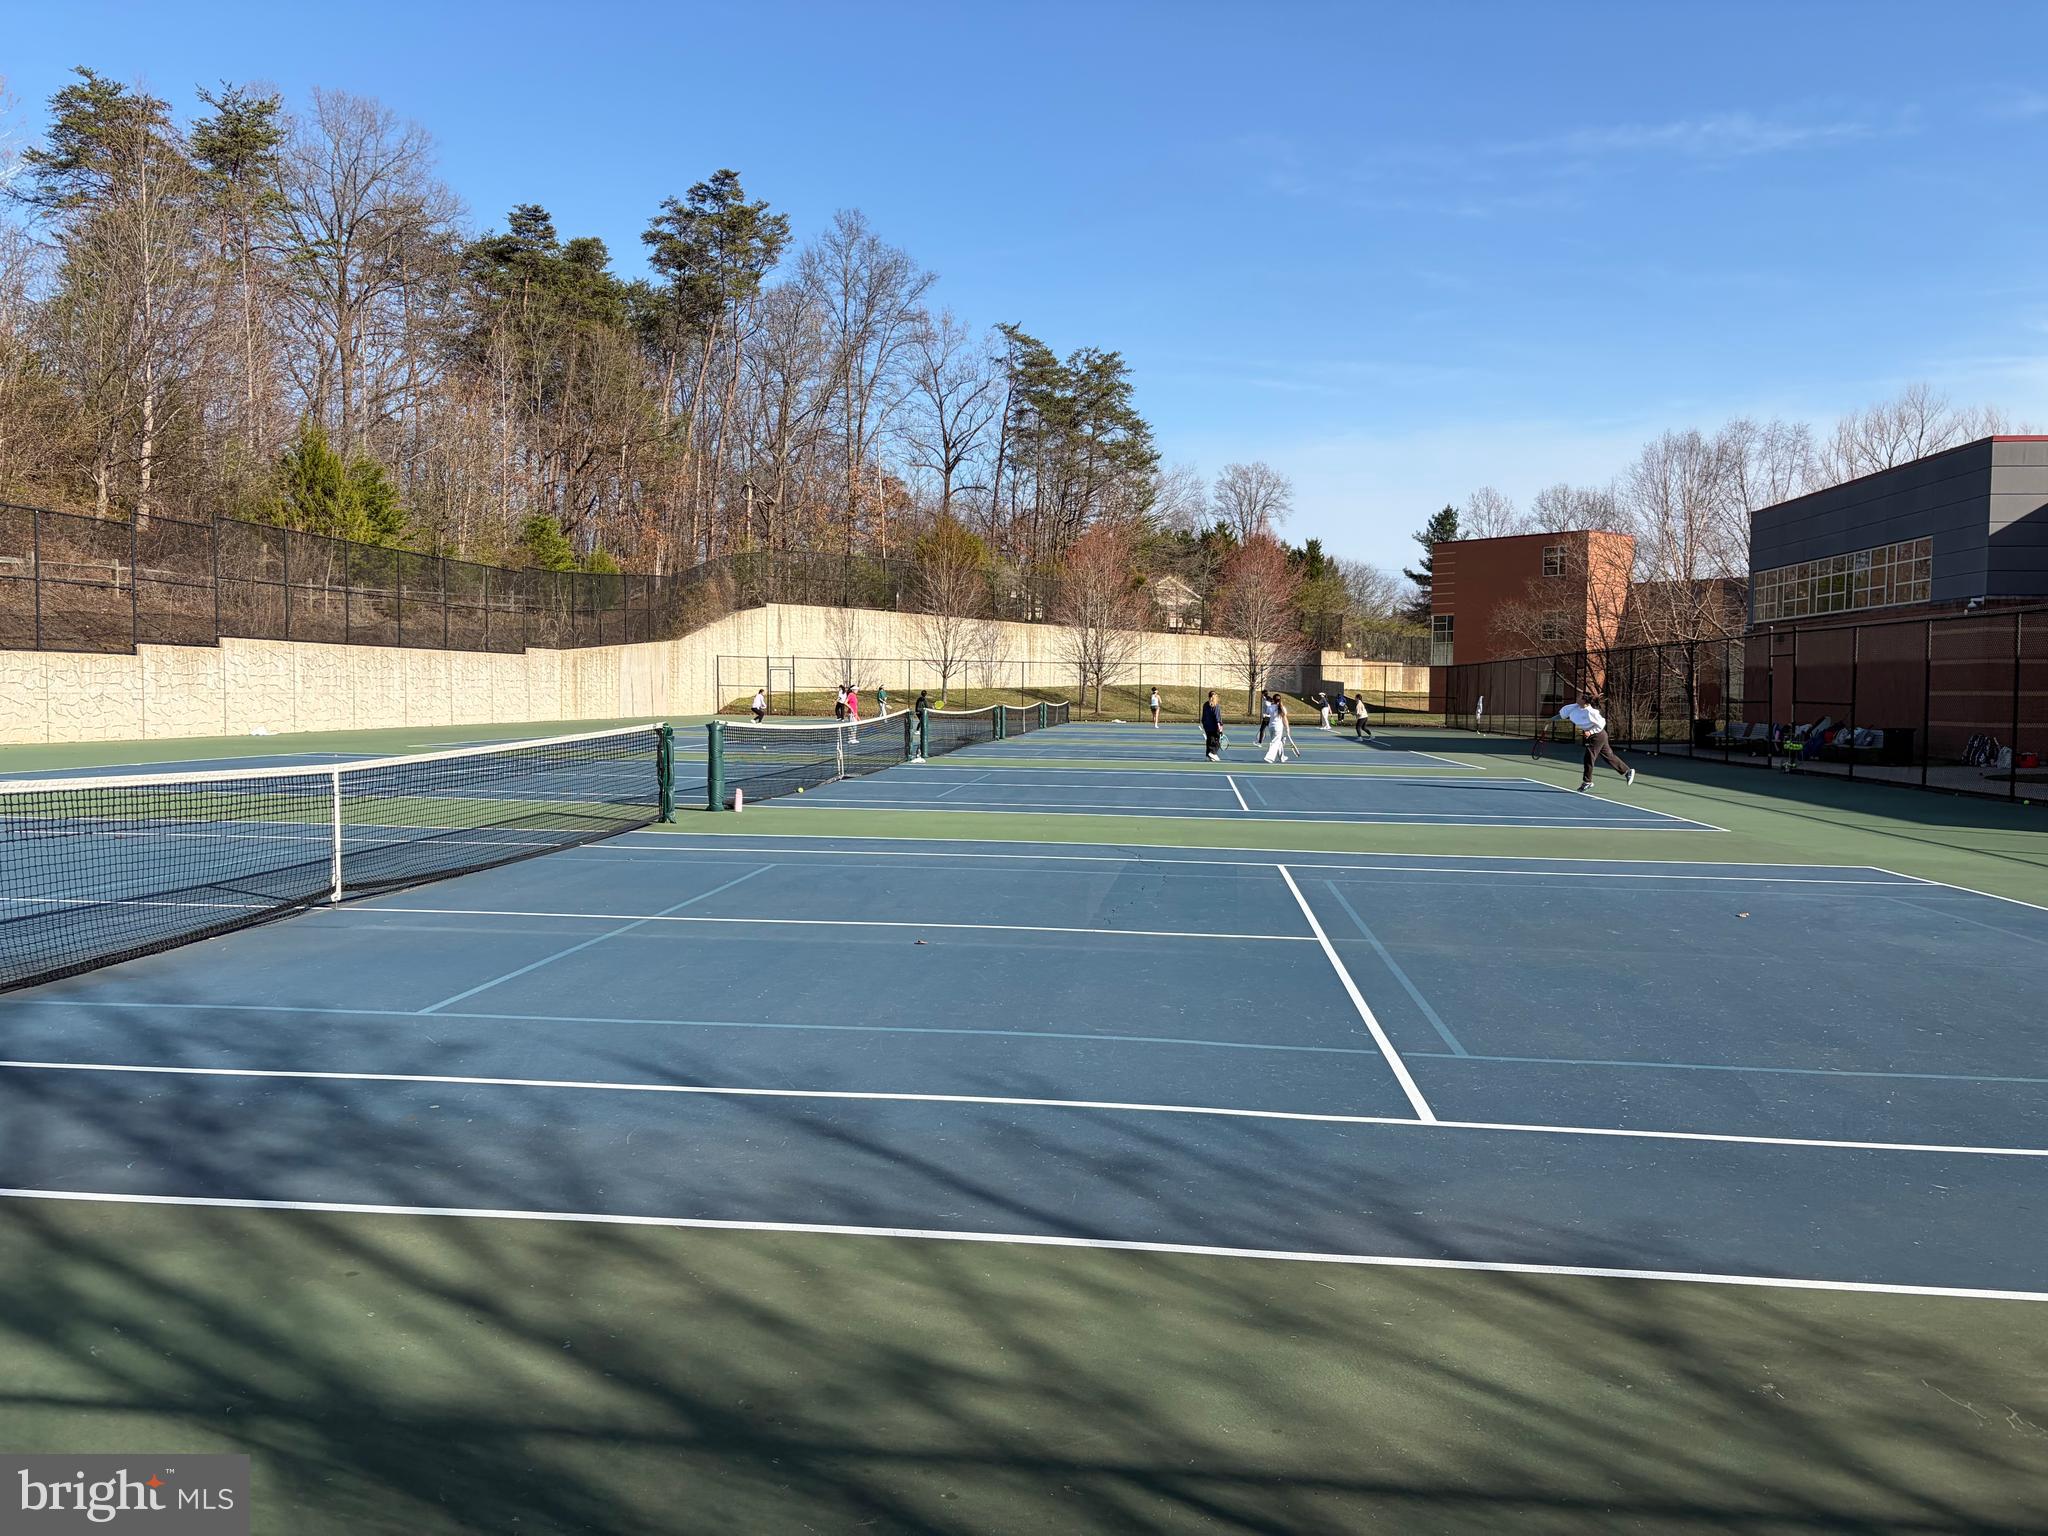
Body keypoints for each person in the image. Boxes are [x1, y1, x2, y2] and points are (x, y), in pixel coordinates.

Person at [1557, 692, 1635, 792]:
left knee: (1589, 757)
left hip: (1598, 735)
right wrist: (1550, 720)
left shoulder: (1591, 712)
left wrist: (1590, 732)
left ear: (1584, 700)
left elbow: (1601, 724)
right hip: (1594, 735)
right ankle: (1627, 771)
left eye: (1579, 697)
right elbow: (1562, 715)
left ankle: (1587, 782)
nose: (1577, 697)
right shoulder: (1574, 707)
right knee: (1608, 756)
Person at [1263, 695, 1295, 763]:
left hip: (1271, 727)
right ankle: (1269, 757)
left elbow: (1267, 714)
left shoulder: (1270, 707)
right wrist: (1287, 728)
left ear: (1273, 700)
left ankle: (1282, 758)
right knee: (1275, 742)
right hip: (1278, 727)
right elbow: (1285, 719)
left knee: (1278, 742)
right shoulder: (1282, 708)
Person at [1200, 689, 1223, 761]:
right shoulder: (1216, 706)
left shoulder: (1205, 705)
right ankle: (1213, 753)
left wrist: (1204, 724)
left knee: (1209, 740)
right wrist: (1220, 727)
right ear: (1215, 697)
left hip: (1207, 727)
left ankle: (1209, 755)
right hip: (1214, 727)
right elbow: (1217, 718)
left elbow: (1203, 717)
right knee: (1217, 742)